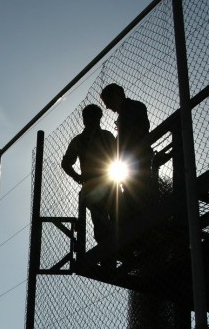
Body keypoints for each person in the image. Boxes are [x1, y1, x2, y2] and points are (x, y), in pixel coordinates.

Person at [100, 83, 158, 220]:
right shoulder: (133, 108)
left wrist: (115, 147)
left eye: (107, 102)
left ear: (115, 96)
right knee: (134, 191)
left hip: (136, 158)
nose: (107, 107)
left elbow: (130, 135)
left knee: (137, 193)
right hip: (134, 159)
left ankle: (141, 221)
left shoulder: (130, 109)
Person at [61, 104, 118, 243]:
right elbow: (66, 163)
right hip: (98, 185)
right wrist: (77, 176)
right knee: (103, 223)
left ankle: (112, 249)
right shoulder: (82, 140)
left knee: (114, 220)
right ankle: (108, 253)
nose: (93, 121)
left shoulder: (105, 136)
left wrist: (77, 177)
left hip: (109, 183)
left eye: (95, 118)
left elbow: (119, 155)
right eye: (91, 118)